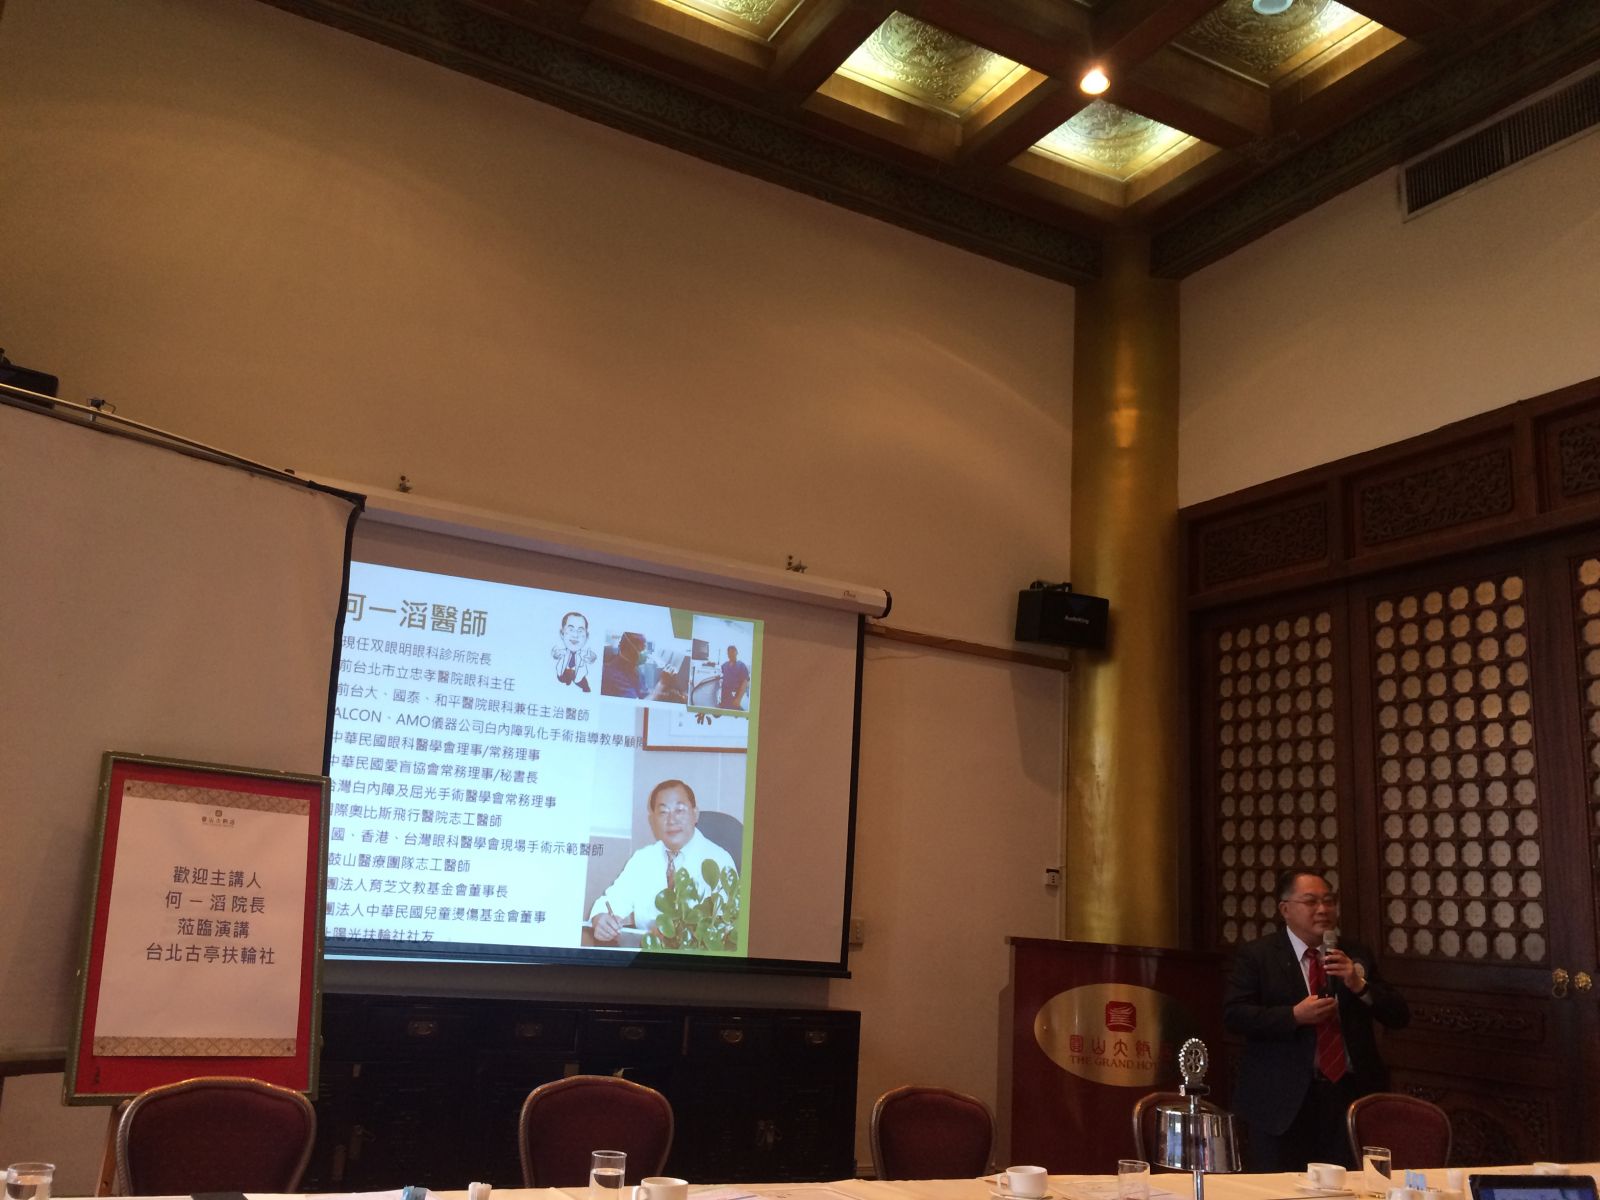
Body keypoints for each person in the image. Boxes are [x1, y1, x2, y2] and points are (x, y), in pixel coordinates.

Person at [1223, 869, 1409, 1172]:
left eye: (1329, 901)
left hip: (1348, 1096)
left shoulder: (1353, 954)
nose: (1323, 910)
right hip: (1282, 1101)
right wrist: (1293, 1016)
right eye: (1311, 902)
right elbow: (1234, 1015)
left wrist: (1359, 985)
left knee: (1349, 1187)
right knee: (1281, 1187)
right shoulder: (1258, 955)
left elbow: (1399, 1015)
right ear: (1285, 909)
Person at [589, 778, 736, 942]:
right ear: (653, 820)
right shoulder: (642, 859)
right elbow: (610, 902)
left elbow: (727, 927)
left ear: (695, 814)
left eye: (679, 810)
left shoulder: (719, 860)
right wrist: (600, 919)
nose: (671, 820)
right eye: (663, 812)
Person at [550, 610, 596, 691]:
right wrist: (555, 654)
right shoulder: (563, 652)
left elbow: (592, 657)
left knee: (584, 685)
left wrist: (591, 658)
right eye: (571, 630)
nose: (575, 635)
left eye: (580, 631)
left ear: (587, 636)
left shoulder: (584, 653)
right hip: (564, 674)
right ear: (562, 633)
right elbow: (556, 654)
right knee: (561, 679)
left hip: (578, 675)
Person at [718, 644, 750, 710]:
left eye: (733, 652)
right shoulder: (724, 665)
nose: (731, 654)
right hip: (724, 699)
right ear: (727, 654)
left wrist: (738, 699)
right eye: (729, 652)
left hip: (735, 698)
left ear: (736, 653)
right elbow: (721, 675)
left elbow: (745, 682)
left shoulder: (741, 665)